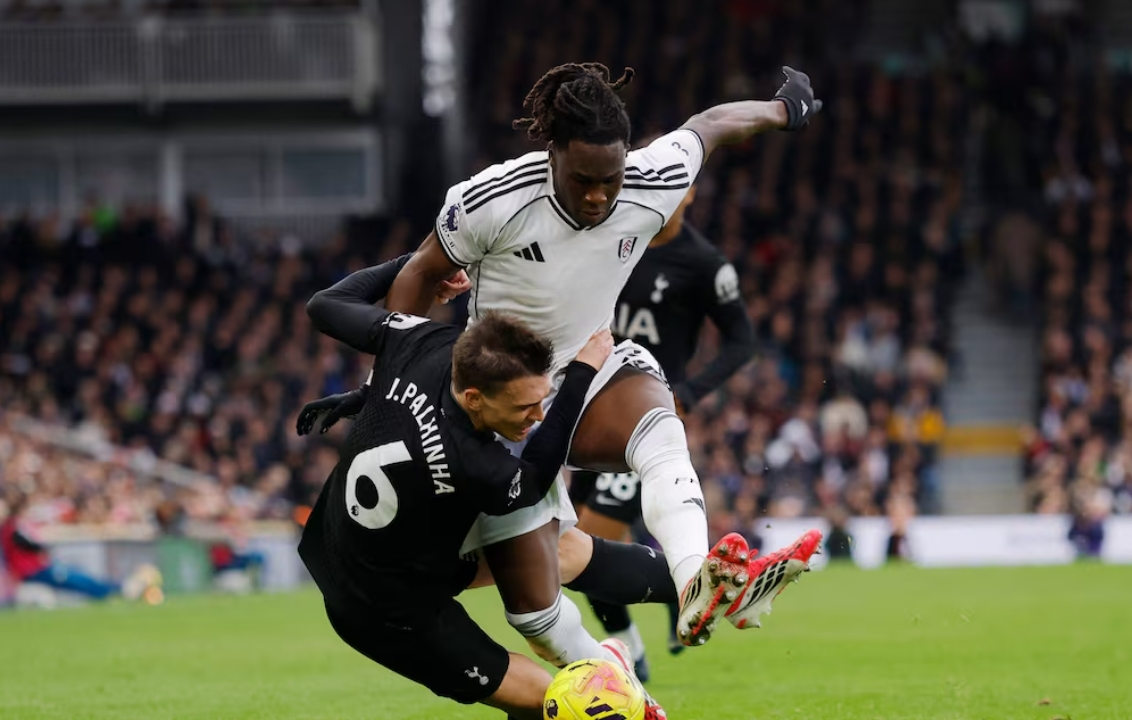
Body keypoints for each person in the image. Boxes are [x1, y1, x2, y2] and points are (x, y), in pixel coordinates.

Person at [378, 62, 824, 650]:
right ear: (552, 153)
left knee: (661, 433)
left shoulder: (650, 180)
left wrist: (782, 111)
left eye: (608, 179)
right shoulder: (493, 199)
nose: (597, 195)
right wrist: (391, 390)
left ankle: (695, 577)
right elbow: (419, 273)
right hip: (500, 397)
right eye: (582, 179)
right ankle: (614, 685)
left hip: (591, 366)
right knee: (537, 598)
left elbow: (710, 125)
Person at [298, 254, 680, 719]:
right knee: (553, 703)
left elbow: (325, 304)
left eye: (541, 401)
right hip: (386, 610)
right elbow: (534, 479)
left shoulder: (417, 340)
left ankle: (692, 579)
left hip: (362, 546)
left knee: (558, 552)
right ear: (475, 399)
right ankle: (619, 679)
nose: (537, 416)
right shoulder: (471, 461)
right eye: (524, 409)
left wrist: (429, 261)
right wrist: (581, 373)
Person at [566, 178, 774, 678]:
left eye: (673, 186)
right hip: (589, 415)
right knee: (577, 543)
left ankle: (650, 628)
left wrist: (690, 391)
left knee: (586, 545)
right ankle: (653, 618)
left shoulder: (704, 264)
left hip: (645, 421)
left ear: (691, 194)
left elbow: (742, 341)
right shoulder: (613, 238)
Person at [0, 495, 162, 604]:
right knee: (79, 580)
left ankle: (117, 589)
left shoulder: (13, 528)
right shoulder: (13, 529)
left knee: (81, 578)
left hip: (38, 570)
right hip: (34, 572)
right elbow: (31, 545)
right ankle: (121, 589)